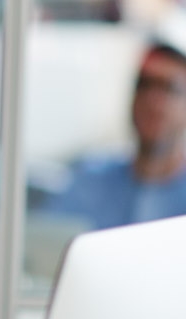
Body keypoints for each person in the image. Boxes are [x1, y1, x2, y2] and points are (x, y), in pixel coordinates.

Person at [40, 42, 186, 229]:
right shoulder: (89, 183)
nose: (153, 100)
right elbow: (47, 245)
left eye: (168, 88)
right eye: (145, 85)